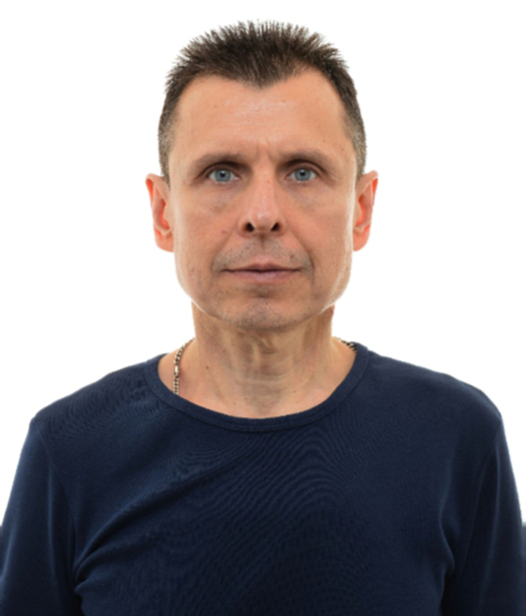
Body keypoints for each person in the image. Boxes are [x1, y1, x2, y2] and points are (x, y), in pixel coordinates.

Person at [0, 21, 522, 615]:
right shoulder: (71, 449)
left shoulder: (457, 436)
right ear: (164, 212)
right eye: (222, 172)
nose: (263, 214)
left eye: (302, 171)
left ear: (360, 209)